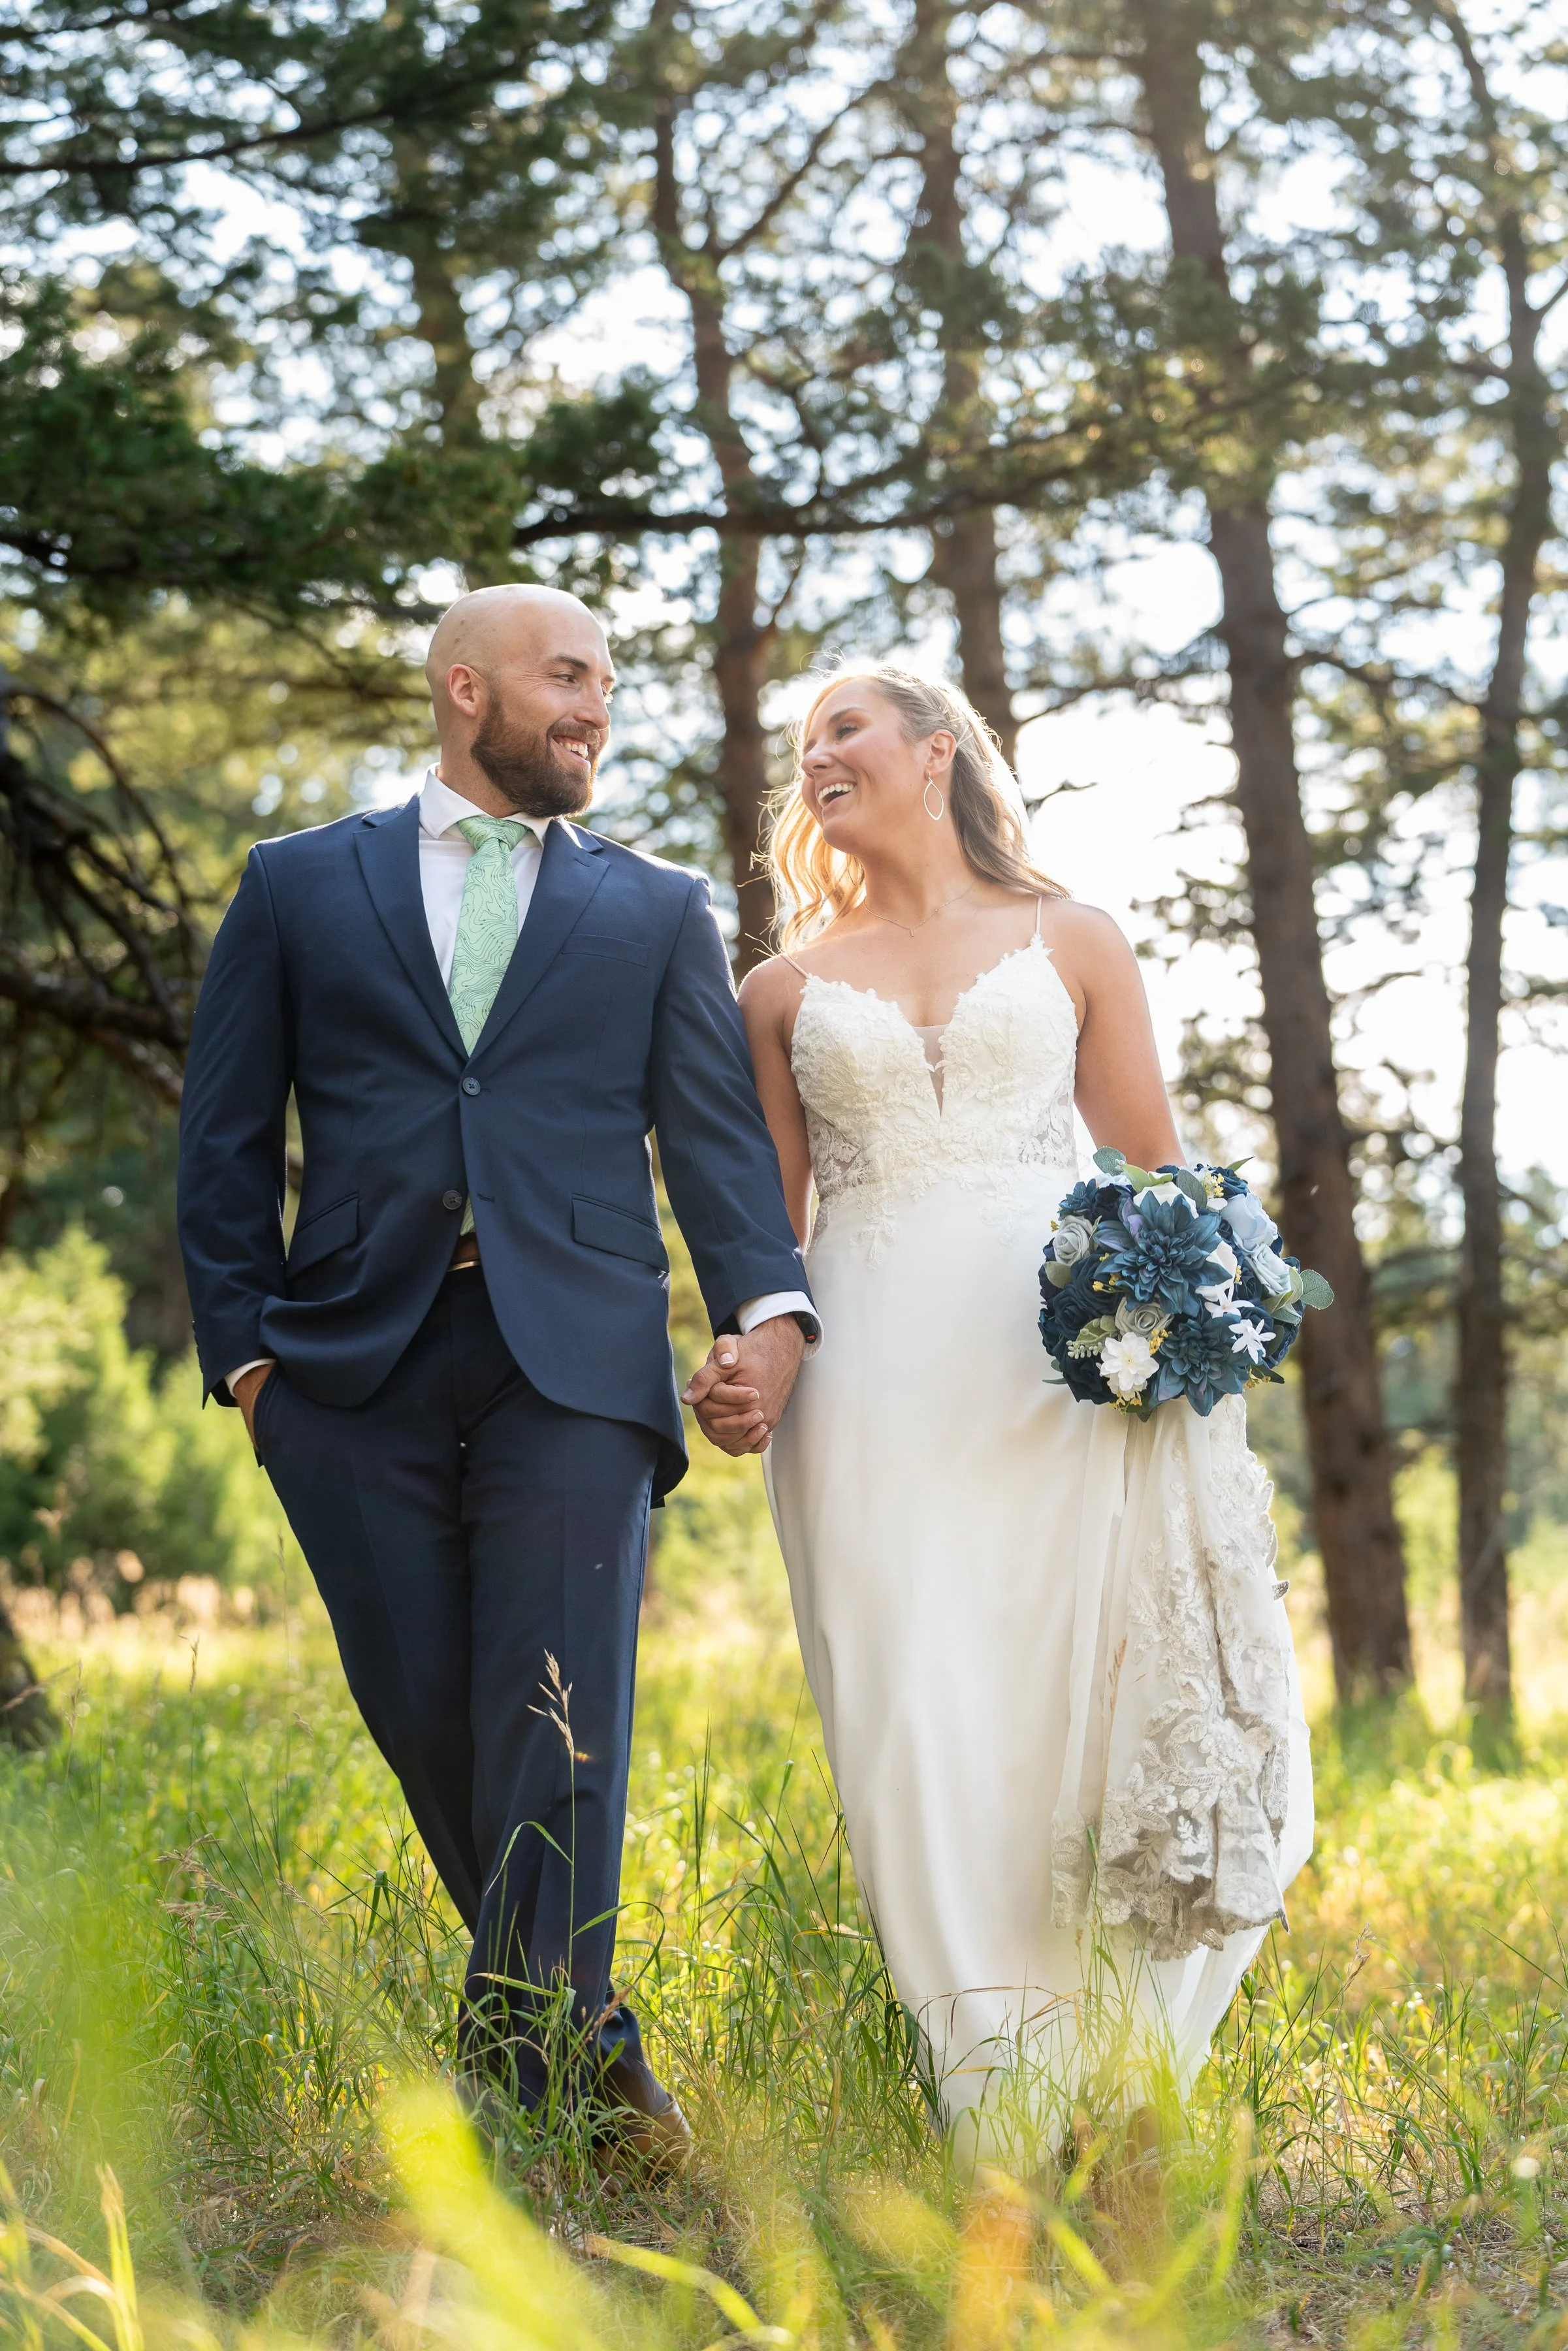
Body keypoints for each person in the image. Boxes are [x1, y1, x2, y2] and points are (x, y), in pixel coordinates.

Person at [178, 584, 818, 2160]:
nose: (598, 704)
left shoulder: (657, 908)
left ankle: (520, 2106)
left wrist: (773, 1317)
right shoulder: (295, 885)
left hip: (579, 1363)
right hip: (342, 1368)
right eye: (569, 675)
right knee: (428, 1717)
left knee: (558, 1710)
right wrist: (250, 1366)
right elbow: (223, 1144)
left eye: (608, 678)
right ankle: (599, 2053)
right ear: (468, 690)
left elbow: (720, 1152)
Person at [684, 664, 1313, 2162]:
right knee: (918, 1707)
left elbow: (1157, 1169)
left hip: (1061, 1376)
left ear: (936, 751)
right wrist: (741, 1360)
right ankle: (996, 2099)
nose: (818, 757)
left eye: (846, 728)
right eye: (806, 743)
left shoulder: (1076, 937)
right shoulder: (778, 989)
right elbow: (765, 1232)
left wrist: (1181, 1336)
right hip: (874, 1379)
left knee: (1073, 1697)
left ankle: (1123, 2070)